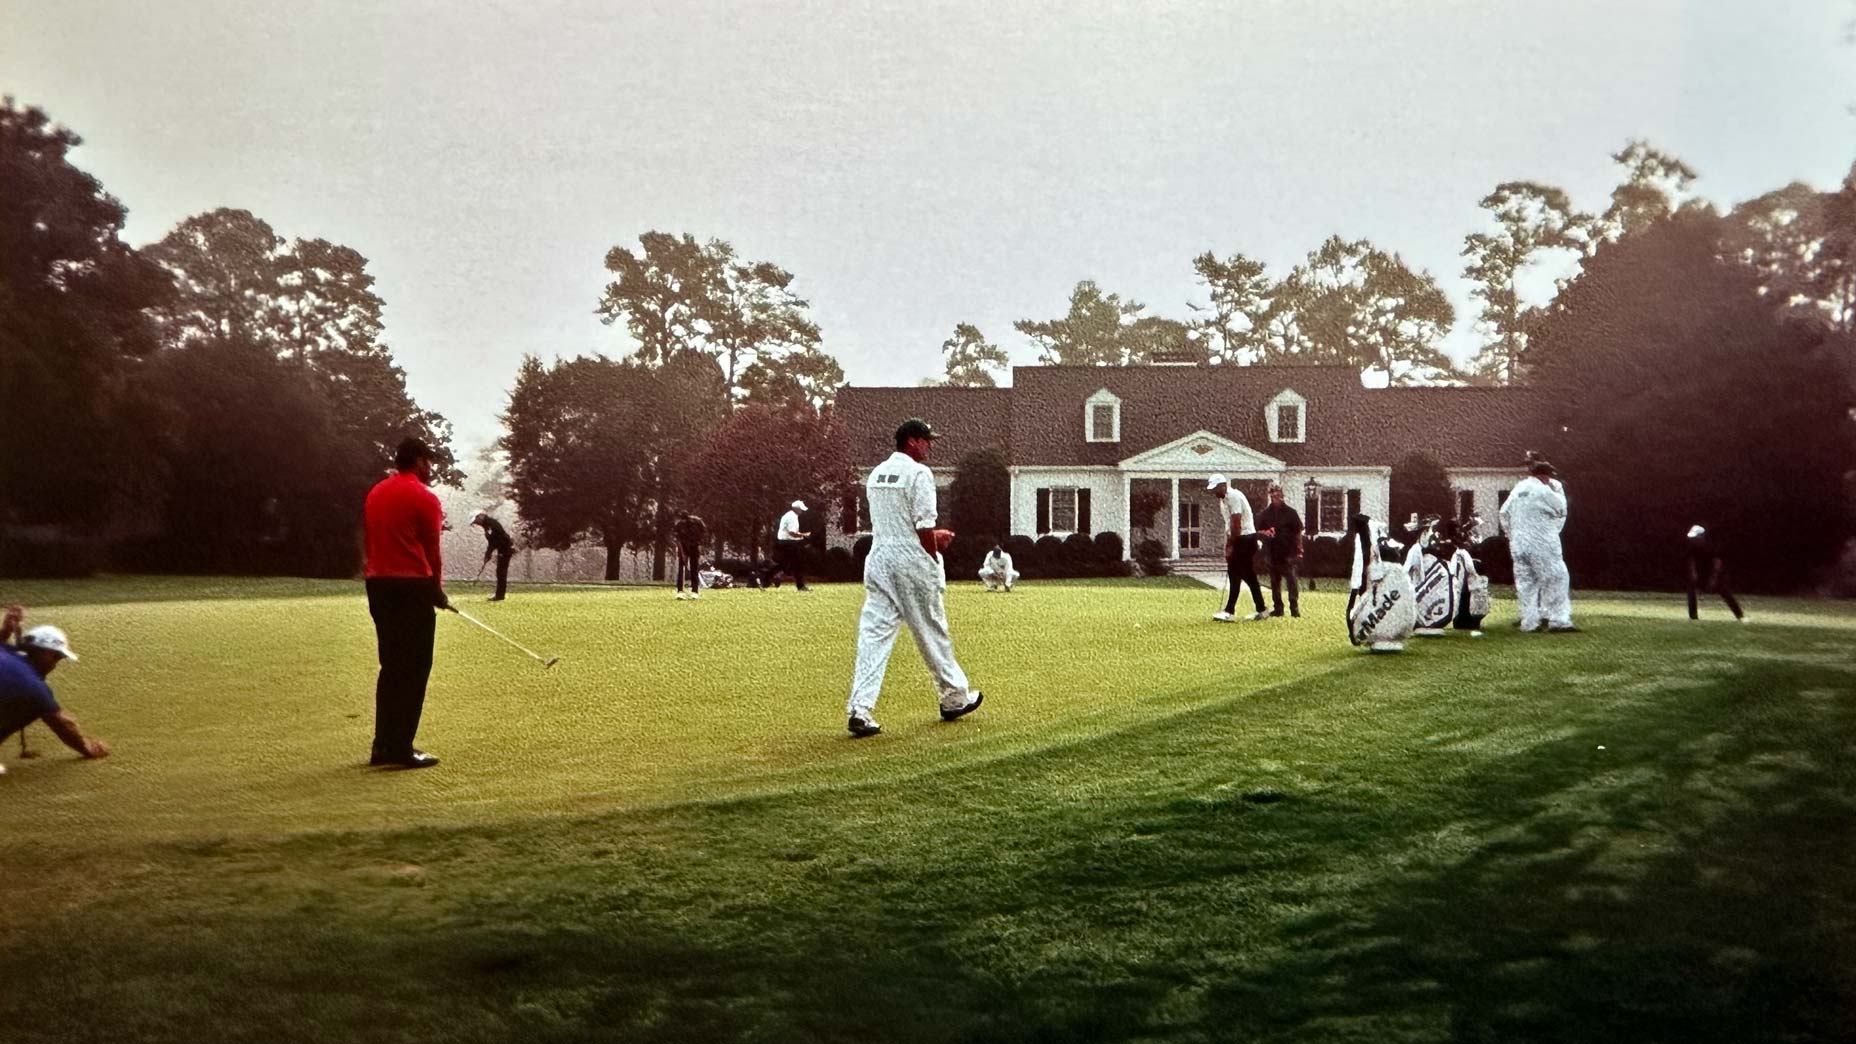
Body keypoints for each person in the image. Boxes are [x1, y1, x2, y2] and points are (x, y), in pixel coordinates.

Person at [845, 418, 985, 738]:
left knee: (873, 636)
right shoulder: (919, 474)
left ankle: (860, 709)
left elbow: (895, 523)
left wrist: (930, 537)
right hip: (911, 562)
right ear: (911, 441)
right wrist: (934, 553)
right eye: (926, 440)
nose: (929, 446)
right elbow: (922, 527)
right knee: (932, 630)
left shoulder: (876, 474)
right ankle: (954, 696)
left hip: (879, 559)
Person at [362, 437, 448, 769]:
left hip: (378, 585)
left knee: (392, 666)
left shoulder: (376, 492)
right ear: (419, 460)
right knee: (415, 667)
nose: (430, 467)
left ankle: (383, 745)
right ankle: (401, 747)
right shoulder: (425, 497)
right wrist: (436, 591)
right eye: (429, 461)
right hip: (411, 586)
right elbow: (432, 551)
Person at [0, 606, 108, 774]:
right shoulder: (35, 689)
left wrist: (5, 631)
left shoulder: (4, 650)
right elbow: (62, 724)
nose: (55, 664)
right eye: (56, 656)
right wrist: (88, 748)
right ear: (42, 652)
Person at [1500, 454, 1575, 633]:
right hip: (1541, 542)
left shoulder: (1518, 489)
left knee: (1526, 584)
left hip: (1518, 545)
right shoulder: (1544, 490)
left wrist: (1511, 535)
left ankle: (1529, 622)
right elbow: (1561, 508)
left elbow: (1503, 513)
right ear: (1545, 476)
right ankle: (1558, 620)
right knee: (1556, 577)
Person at [1346, 513, 1416, 652]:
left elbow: (1360, 564)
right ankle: (1367, 633)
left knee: (1366, 606)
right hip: (1372, 579)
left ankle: (1365, 634)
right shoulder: (1372, 535)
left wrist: (1357, 585)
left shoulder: (1367, 537)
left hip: (1372, 580)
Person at [1208, 475, 1267, 622]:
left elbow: (1237, 524)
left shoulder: (1233, 496)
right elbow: (1229, 525)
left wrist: (1231, 545)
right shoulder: (1223, 500)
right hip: (1241, 538)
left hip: (1245, 538)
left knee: (1240, 574)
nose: (1214, 492)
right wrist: (1228, 543)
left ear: (1223, 486)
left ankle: (1231, 611)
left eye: (1216, 489)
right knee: (1242, 575)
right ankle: (1259, 609)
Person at [1256, 482, 1304, 618]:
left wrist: (1300, 550)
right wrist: (1265, 533)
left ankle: (1294, 608)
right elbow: (1258, 531)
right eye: (1273, 492)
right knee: (1275, 582)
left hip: (1289, 552)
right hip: (1272, 552)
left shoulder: (1291, 513)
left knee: (1291, 581)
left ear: (1282, 494)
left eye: (1278, 492)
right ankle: (1278, 608)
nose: (1275, 495)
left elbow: (1298, 532)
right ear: (1270, 494)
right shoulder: (1265, 514)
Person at [1685, 524, 1746, 622]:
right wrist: (1694, 574)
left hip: (1715, 573)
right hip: (1703, 573)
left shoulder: (1710, 547)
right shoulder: (1693, 548)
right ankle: (1693, 617)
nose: (1693, 540)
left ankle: (1740, 616)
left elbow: (1717, 563)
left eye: (1696, 538)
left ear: (1701, 537)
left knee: (1725, 592)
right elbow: (1691, 561)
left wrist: (1713, 578)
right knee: (1691, 589)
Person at [763, 500, 812, 592]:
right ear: (796, 509)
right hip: (788, 543)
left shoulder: (790, 515)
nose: (802, 511)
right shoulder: (791, 517)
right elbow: (792, 533)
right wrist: (804, 535)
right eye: (801, 509)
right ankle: (800, 586)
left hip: (785, 542)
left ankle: (765, 578)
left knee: (784, 564)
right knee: (797, 564)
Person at [470, 511, 516, 601]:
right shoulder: (487, 525)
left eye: (476, 521)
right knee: (500, 571)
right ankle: (500, 594)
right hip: (502, 549)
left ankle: (500, 595)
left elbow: (495, 541)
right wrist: (488, 553)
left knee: (501, 572)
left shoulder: (492, 524)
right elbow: (491, 542)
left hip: (505, 549)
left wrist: (489, 552)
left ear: (480, 516)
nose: (476, 524)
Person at [672, 511, 707, 600]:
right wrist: (682, 553)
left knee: (694, 569)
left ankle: (694, 591)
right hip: (684, 546)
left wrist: (700, 546)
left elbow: (703, 534)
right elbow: (678, 540)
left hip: (694, 546)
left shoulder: (697, 522)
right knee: (681, 569)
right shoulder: (679, 525)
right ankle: (680, 591)